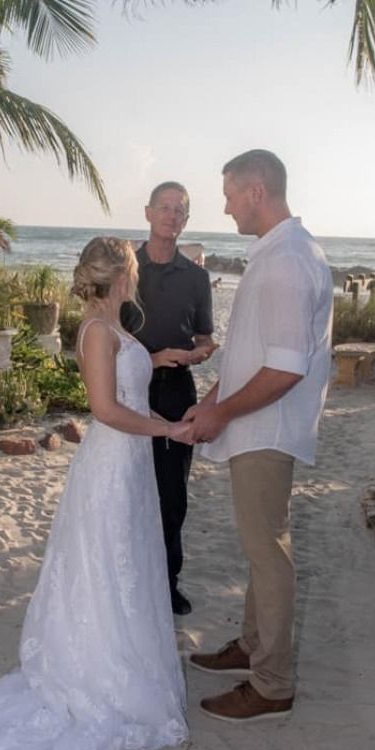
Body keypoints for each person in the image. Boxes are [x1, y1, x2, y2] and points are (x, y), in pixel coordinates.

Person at [0, 237, 193, 750]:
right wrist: (168, 430)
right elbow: (105, 410)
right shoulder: (97, 332)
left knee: (126, 566)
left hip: (129, 465)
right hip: (111, 463)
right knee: (105, 568)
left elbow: (128, 389)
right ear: (123, 275)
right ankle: (99, 675)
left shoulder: (115, 329)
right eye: (133, 267)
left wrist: (162, 377)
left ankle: (124, 665)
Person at [179, 149, 334, 723]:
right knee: (259, 548)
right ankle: (252, 647)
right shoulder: (277, 253)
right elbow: (254, 353)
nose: (224, 207)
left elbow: (287, 366)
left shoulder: (290, 259)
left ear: (257, 191)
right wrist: (213, 400)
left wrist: (222, 415)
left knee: (268, 554)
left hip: (267, 428)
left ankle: (272, 684)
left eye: (229, 194)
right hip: (255, 421)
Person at [121, 181, 217, 616]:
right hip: (129, 387)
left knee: (172, 493)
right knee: (127, 486)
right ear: (147, 213)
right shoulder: (125, 271)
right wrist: (151, 357)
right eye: (165, 207)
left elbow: (206, 337)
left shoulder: (197, 278)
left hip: (177, 390)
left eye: (181, 210)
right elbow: (104, 335)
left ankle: (167, 583)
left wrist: (198, 353)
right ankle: (127, 577)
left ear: (186, 220)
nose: (172, 215)